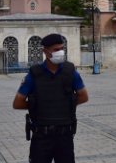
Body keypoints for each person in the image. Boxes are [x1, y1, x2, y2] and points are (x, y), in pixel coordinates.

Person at [12, 33, 89, 163]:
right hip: (42, 136)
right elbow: (17, 103)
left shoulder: (70, 72)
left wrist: (66, 104)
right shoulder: (34, 74)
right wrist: (36, 105)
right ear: (45, 51)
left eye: (61, 48)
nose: (60, 52)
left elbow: (84, 96)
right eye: (56, 50)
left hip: (65, 135)